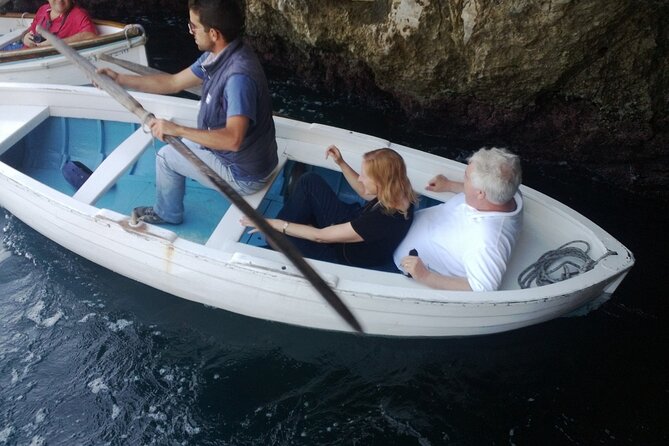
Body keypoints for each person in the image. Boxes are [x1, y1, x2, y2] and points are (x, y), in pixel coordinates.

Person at [98, 0, 278, 224]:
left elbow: (233, 139)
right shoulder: (220, 54)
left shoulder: (237, 78)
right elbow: (173, 82)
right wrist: (120, 79)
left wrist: (176, 128)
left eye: (194, 26)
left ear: (213, 33)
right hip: (247, 159)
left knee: (166, 157)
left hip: (244, 175)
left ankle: (167, 214)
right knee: (179, 140)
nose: (190, 31)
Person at [241, 145, 418, 268]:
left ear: (381, 182)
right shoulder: (400, 188)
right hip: (353, 221)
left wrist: (272, 223)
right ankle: (293, 233)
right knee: (309, 182)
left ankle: (284, 240)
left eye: (366, 176)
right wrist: (341, 162)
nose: (361, 178)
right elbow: (365, 192)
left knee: (274, 235)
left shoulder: (381, 220)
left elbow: (320, 237)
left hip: (342, 254)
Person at [394, 147, 523, 291]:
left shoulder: (487, 242)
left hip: (400, 261)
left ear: (480, 193)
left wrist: (425, 276)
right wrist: (450, 185)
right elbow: (485, 190)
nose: (463, 178)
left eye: (466, 177)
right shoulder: (509, 192)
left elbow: (482, 289)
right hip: (421, 219)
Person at [2, 0, 98, 51]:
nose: (60, 0)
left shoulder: (78, 14)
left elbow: (91, 35)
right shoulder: (43, 9)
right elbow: (29, 30)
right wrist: (24, 38)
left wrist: (56, 43)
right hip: (24, 54)